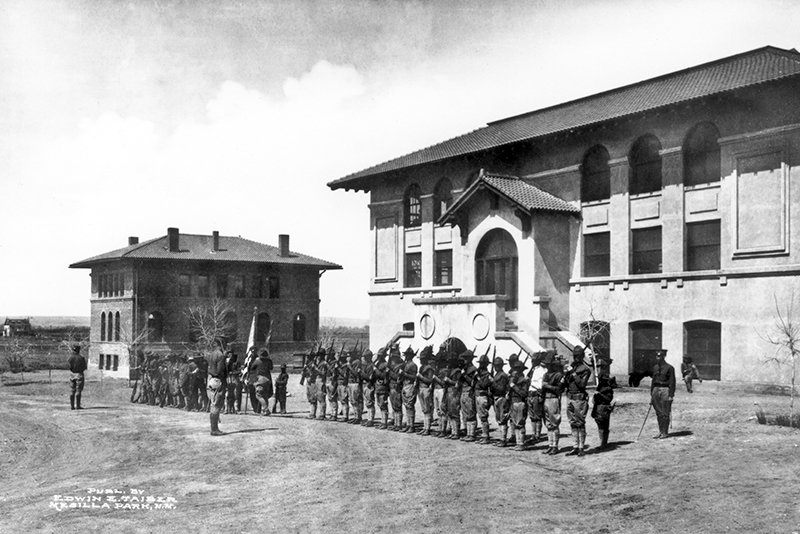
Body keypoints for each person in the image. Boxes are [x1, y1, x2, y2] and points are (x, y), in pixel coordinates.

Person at [564, 345, 592, 456]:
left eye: (578, 356)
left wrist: (574, 374)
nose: (576, 358)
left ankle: (581, 447)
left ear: (582, 356)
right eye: (575, 356)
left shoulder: (585, 369)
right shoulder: (572, 368)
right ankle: (575, 446)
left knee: (580, 423)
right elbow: (566, 383)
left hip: (579, 399)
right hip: (570, 398)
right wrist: (566, 373)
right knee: (572, 423)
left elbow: (582, 384)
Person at [541, 354, 565, 455]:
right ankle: (550, 445)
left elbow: (559, 389)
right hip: (545, 399)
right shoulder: (546, 375)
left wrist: (547, 386)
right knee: (548, 424)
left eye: (549, 365)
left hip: (553, 399)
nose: (547, 366)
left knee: (554, 423)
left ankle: (555, 446)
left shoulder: (558, 375)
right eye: (546, 365)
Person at [651, 349, 676, 439]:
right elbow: (653, 381)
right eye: (657, 356)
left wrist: (671, 395)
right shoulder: (655, 367)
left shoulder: (670, 368)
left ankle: (665, 432)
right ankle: (660, 431)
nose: (658, 358)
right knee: (658, 412)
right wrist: (652, 394)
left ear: (664, 356)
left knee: (665, 412)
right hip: (656, 389)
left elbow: (672, 382)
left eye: (660, 356)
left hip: (665, 389)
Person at [508, 358, 530, 451]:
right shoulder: (514, 380)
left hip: (520, 402)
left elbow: (524, 393)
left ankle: (521, 444)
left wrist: (514, 386)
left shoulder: (524, 381)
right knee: (515, 423)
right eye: (514, 368)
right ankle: (518, 443)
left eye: (517, 369)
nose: (515, 370)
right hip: (513, 402)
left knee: (520, 423)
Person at [205, 346, 227, 436]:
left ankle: (214, 428)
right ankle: (214, 429)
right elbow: (219, 371)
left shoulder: (211, 354)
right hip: (218, 380)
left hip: (211, 380)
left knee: (213, 404)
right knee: (217, 405)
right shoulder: (220, 355)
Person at [527, 352, 548, 443]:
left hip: (536, 394)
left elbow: (541, 384)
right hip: (530, 394)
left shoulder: (543, 370)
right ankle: (533, 434)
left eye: (534, 360)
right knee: (532, 417)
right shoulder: (533, 370)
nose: (532, 362)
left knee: (537, 416)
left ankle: (538, 435)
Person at [490, 357, 510, 447]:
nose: (495, 367)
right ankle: (502, 438)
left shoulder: (502, 375)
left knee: (502, 419)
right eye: (495, 365)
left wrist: (492, 382)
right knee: (499, 419)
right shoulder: (497, 374)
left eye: (497, 365)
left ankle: (503, 439)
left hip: (501, 398)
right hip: (496, 397)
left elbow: (501, 388)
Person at [459, 350, 478, 442]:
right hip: (463, 392)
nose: (464, 360)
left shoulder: (474, 369)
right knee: (465, 414)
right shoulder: (464, 369)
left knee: (471, 414)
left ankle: (472, 434)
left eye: (466, 358)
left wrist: (465, 376)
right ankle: (467, 433)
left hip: (470, 392)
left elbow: (473, 383)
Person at [416, 346, 436, 435]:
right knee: (424, 410)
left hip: (426, 389)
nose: (420, 360)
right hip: (420, 389)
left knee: (427, 409)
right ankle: (425, 427)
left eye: (422, 359)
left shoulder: (429, 368)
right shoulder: (421, 367)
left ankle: (427, 428)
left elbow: (430, 380)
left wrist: (421, 377)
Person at [474, 354, 493, 445]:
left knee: (483, 417)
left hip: (483, 396)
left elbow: (484, 385)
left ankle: (486, 436)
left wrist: (478, 378)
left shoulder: (487, 375)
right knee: (481, 417)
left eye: (483, 363)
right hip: (477, 395)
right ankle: (484, 435)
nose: (481, 365)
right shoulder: (479, 373)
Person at [591, 376, 614, 449]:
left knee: (604, 426)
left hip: (604, 408)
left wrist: (599, 394)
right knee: (600, 425)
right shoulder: (600, 387)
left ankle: (603, 443)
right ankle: (602, 443)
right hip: (598, 408)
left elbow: (608, 399)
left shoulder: (608, 389)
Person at [444, 353, 462, 440]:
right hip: (449, 392)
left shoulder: (458, 371)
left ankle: (456, 432)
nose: (449, 363)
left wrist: (449, 381)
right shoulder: (449, 370)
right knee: (450, 413)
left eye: (451, 362)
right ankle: (453, 431)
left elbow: (458, 384)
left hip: (455, 393)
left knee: (455, 413)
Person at [250, 349, 274, 416]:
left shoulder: (257, 361)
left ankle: (266, 409)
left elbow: (252, 368)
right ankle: (264, 410)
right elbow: (271, 368)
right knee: (265, 395)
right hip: (268, 379)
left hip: (260, 379)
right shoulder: (269, 361)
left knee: (258, 395)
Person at [433, 349, 451, 437]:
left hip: (441, 390)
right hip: (436, 390)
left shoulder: (445, 371)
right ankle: (440, 429)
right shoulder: (437, 370)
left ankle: (443, 430)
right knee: (438, 411)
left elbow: (444, 383)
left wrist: (436, 379)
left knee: (443, 410)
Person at [400, 347, 418, 433]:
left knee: (410, 406)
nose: (406, 357)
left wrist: (404, 374)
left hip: (410, 385)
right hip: (405, 385)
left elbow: (414, 377)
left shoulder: (413, 365)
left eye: (407, 355)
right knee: (406, 406)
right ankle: (408, 424)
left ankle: (412, 425)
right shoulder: (406, 364)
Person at [373, 348, 391, 429]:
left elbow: (383, 375)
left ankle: (384, 422)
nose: (379, 357)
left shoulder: (386, 364)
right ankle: (383, 422)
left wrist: (375, 370)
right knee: (380, 404)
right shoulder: (378, 364)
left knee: (383, 405)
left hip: (383, 387)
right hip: (378, 386)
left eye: (380, 356)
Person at [387, 349, 404, 430]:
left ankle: (399, 424)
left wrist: (389, 372)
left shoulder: (401, 366)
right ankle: (396, 423)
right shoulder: (391, 366)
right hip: (391, 386)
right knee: (394, 406)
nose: (393, 359)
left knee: (398, 406)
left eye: (394, 357)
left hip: (397, 387)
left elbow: (398, 377)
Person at [68, 345, 87, 410]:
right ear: (79, 350)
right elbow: (85, 367)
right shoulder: (81, 358)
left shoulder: (70, 358)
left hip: (72, 375)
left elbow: (69, 367)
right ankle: (78, 406)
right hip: (79, 374)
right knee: (78, 390)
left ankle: (72, 406)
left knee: (72, 390)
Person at [301, 350, 319, 419]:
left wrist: (310, 369)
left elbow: (314, 374)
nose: (307, 358)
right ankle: (311, 412)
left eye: (309, 357)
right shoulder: (307, 364)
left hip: (313, 382)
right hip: (308, 382)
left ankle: (313, 413)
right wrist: (304, 369)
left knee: (313, 398)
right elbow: (303, 374)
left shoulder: (314, 364)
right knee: (309, 397)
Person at [361, 350, 376, 427]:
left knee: (370, 403)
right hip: (365, 384)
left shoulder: (371, 366)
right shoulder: (366, 365)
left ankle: (371, 420)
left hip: (369, 385)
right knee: (367, 402)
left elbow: (370, 378)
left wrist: (362, 373)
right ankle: (369, 419)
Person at [347, 351, 363, 424]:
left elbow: (356, 373)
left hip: (355, 383)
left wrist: (349, 367)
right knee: (352, 400)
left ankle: (358, 417)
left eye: (349, 356)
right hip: (350, 383)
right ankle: (355, 416)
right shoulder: (352, 363)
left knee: (355, 400)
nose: (348, 358)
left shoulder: (357, 362)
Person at [325, 349, 339, 421]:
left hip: (332, 381)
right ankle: (331, 413)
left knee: (333, 398)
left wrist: (328, 366)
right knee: (330, 398)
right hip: (327, 380)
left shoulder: (335, 363)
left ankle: (334, 414)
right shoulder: (328, 362)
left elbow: (334, 373)